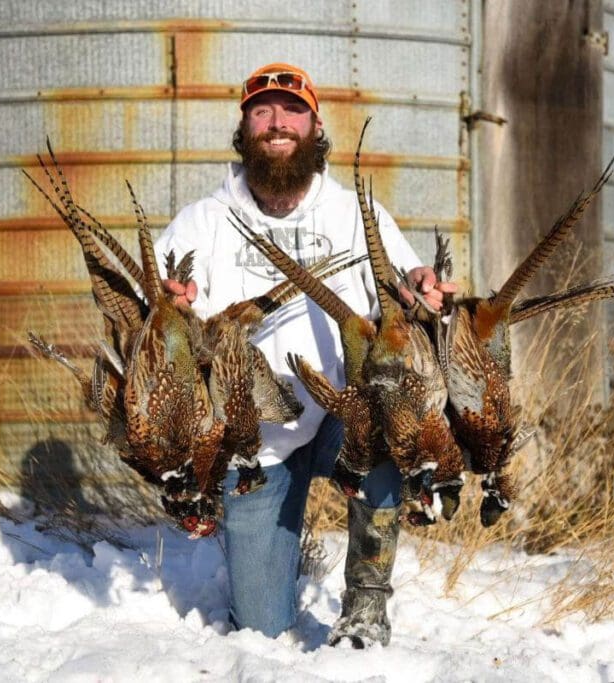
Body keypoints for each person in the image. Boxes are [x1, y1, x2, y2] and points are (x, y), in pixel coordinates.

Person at [154, 63, 454, 647]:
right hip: (254, 440)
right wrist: (175, 313)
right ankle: (275, 554)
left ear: (315, 127)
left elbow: (408, 290)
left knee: (392, 414)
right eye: (262, 111)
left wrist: (419, 285)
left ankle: (367, 602)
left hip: (344, 420)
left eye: (292, 111)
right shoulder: (202, 222)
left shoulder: (352, 215)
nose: (277, 122)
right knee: (263, 631)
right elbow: (155, 322)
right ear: (245, 129)